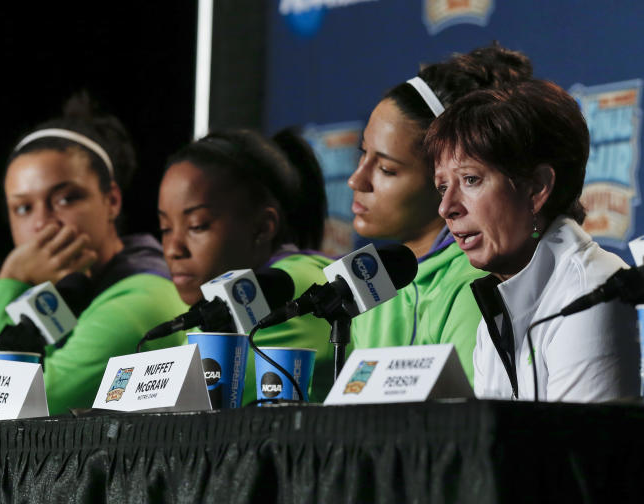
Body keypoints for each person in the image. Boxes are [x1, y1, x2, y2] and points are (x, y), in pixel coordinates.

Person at [0, 95, 187, 414]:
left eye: (66, 199)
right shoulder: (56, 295)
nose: (43, 223)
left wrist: (10, 280)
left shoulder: (143, 296)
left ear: (111, 200)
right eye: (23, 208)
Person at [428, 78, 640, 402]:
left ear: (537, 187)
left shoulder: (591, 293)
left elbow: (580, 450)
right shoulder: (497, 301)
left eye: (470, 179)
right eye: (443, 187)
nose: (446, 207)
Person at [346, 44, 533, 381]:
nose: (356, 179)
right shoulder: (370, 280)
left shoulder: (478, 281)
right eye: (363, 154)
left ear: (445, 180)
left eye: (387, 169)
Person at [157, 129, 336, 403]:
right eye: (165, 228)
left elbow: (185, 408)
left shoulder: (290, 287)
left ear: (263, 228)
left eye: (197, 226)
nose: (172, 249)